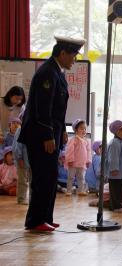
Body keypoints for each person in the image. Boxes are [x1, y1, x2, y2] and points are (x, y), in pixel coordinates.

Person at [18, 36, 85, 231]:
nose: (74, 60)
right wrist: (48, 135)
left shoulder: (57, 72)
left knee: (50, 175)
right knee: (42, 176)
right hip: (40, 135)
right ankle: (36, 221)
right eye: (73, 55)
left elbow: (58, 109)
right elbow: (43, 109)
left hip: (51, 132)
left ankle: (45, 217)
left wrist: (62, 130)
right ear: (62, 53)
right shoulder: (48, 73)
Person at [106, 120, 122, 212]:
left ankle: (118, 205)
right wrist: (114, 168)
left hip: (120, 173)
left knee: (119, 189)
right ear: (118, 131)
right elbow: (113, 157)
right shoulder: (114, 143)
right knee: (115, 190)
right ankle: (116, 206)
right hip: (115, 172)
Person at [64, 119, 91, 196]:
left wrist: (88, 161)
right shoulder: (73, 139)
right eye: (81, 128)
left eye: (85, 128)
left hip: (82, 163)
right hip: (73, 162)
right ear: (76, 130)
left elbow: (88, 151)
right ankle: (69, 190)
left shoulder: (86, 141)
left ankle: (81, 190)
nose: (84, 130)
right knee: (70, 177)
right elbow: (69, 150)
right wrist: (70, 160)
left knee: (81, 177)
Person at [12, 117, 31, 204]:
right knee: (22, 180)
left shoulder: (33, 129)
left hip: (31, 160)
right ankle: (21, 198)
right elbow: (17, 145)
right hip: (22, 160)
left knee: (32, 180)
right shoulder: (20, 130)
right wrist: (19, 158)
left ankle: (32, 198)